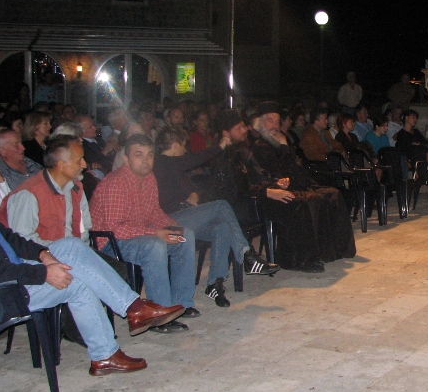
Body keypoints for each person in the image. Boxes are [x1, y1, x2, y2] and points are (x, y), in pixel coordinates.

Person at [0, 142, 185, 375]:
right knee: (76, 259)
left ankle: (105, 356)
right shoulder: (21, 195)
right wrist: (42, 272)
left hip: (15, 276)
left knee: (78, 271)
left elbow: (12, 239)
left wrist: (43, 255)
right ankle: (134, 309)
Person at [153, 126, 278, 307]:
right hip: (168, 220)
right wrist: (219, 147)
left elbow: (195, 191)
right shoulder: (161, 162)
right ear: (174, 145)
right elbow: (195, 159)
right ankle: (246, 254)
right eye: (183, 146)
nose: (185, 150)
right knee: (221, 206)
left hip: (186, 218)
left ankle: (215, 283)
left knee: (222, 227)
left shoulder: (176, 170)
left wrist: (193, 195)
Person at [89, 134, 198, 332]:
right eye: (138, 155)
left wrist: (173, 226)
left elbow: (153, 212)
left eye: (150, 155)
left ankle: (182, 303)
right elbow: (115, 229)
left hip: (138, 235)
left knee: (185, 236)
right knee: (154, 245)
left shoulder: (148, 178)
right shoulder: (115, 182)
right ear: (126, 158)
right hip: (110, 244)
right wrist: (155, 233)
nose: (146, 160)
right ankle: (160, 315)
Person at [250, 102, 357, 266]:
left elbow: (295, 168)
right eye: (270, 120)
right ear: (261, 123)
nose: (274, 125)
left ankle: (338, 249)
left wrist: (285, 146)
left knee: (333, 194)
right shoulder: (259, 147)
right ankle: (305, 258)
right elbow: (273, 173)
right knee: (312, 199)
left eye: (277, 121)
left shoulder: (279, 142)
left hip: (296, 184)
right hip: (273, 193)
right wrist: (284, 148)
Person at [0, 129, 43, 205]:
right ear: (2, 151)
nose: (23, 148)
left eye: (21, 143)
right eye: (16, 145)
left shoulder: (30, 163)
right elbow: (2, 206)